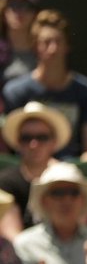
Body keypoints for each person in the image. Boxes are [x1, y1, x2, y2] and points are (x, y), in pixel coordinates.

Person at [2, 9, 87, 160]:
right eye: (46, 42)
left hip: (68, 175)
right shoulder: (15, 91)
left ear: (67, 46)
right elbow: (7, 149)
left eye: (58, 41)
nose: (53, 49)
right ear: (35, 46)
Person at [0, 100, 67, 237]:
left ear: (54, 142)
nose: (34, 144)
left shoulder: (67, 178)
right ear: (17, 142)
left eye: (42, 137)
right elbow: (12, 235)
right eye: (26, 138)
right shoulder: (6, 181)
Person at [0, 0, 39, 85]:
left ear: (35, 14)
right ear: (3, 12)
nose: (20, 11)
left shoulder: (45, 50)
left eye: (27, 6)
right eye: (13, 5)